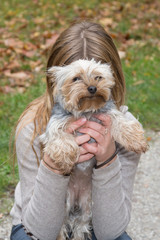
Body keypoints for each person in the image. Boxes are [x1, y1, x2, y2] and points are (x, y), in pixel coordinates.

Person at [10, 21, 140, 240]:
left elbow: (110, 232)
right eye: (77, 79)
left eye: (98, 78)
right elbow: (39, 232)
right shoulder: (32, 126)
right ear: (56, 84)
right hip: (34, 226)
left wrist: (107, 160)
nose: (90, 86)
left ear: (112, 80)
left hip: (98, 222)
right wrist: (54, 166)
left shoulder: (125, 127)